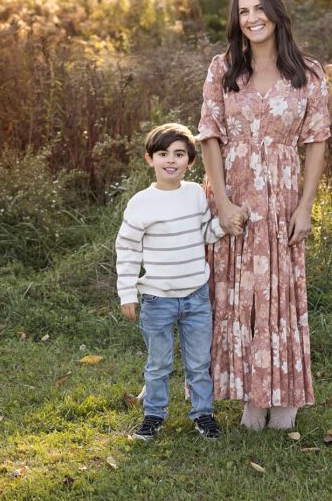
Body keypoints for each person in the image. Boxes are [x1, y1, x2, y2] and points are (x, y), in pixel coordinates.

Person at [198, 0, 330, 431]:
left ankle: (285, 397)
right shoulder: (222, 68)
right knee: (237, 294)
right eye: (243, 11)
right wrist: (221, 202)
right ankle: (251, 400)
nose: (252, 18)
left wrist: (305, 207)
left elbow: (316, 142)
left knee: (280, 292)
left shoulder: (308, 73)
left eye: (259, 9)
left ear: (275, 12)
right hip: (234, 192)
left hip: (282, 194)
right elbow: (210, 135)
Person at [115, 123, 225, 441]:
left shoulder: (194, 195)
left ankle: (203, 415)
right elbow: (128, 249)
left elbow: (205, 233)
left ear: (191, 161)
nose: (171, 160)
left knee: (199, 363)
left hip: (196, 296)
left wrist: (225, 225)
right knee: (159, 363)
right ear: (150, 159)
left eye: (179, 154)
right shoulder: (141, 203)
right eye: (163, 154)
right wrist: (127, 293)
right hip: (157, 299)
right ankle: (153, 416)